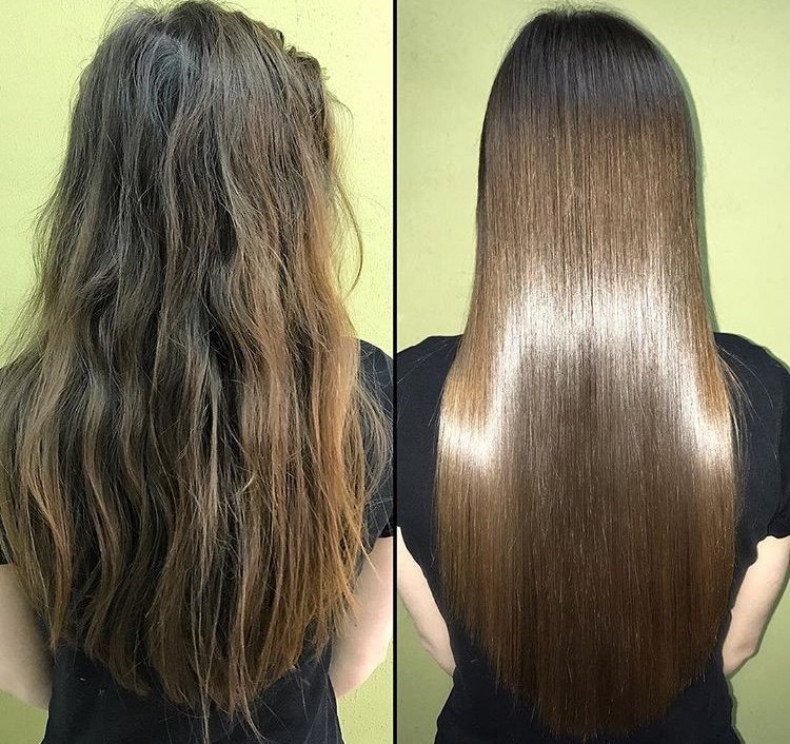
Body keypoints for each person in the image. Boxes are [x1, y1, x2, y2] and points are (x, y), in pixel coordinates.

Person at [0, 2, 392, 743]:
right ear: (292, 199)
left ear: (98, 189)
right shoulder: (370, 397)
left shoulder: (18, 414)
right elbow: (355, 661)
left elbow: (25, 676)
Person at [397, 9, 790, 743]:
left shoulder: (407, 395)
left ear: (499, 182)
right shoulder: (764, 397)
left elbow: (441, 646)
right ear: (671, 183)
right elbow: (736, 646)